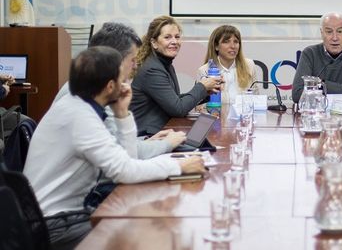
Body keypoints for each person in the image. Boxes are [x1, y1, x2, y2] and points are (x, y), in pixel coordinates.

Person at [24, 46, 206, 249]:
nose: (127, 83)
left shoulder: (78, 106)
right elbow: (124, 171)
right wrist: (179, 167)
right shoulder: (80, 118)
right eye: (123, 79)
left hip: (60, 216)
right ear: (111, 86)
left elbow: (128, 159)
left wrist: (122, 114)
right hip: (55, 225)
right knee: (148, 235)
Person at [53, 22, 186, 158]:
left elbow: (119, 145)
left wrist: (147, 142)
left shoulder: (86, 86)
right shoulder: (89, 95)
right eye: (132, 60)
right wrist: (168, 144)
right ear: (114, 60)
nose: (135, 66)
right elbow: (123, 158)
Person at [130, 15, 222, 135]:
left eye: (177, 37)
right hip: (147, 138)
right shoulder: (152, 69)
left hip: (162, 132)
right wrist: (202, 86)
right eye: (167, 37)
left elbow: (175, 100)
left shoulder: (165, 64)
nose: (174, 41)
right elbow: (178, 109)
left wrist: (207, 92)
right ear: (154, 43)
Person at [292, 12, 342, 103]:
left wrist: (321, 84)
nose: (335, 38)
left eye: (339, 31)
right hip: (317, 115)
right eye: (329, 32)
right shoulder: (310, 53)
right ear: (322, 33)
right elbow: (297, 94)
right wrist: (341, 91)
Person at [197, 25, 256, 104]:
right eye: (226, 42)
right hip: (217, 115)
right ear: (216, 46)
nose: (233, 46)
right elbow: (200, 105)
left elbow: (256, 99)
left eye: (236, 41)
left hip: (244, 116)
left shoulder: (249, 65)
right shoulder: (204, 70)